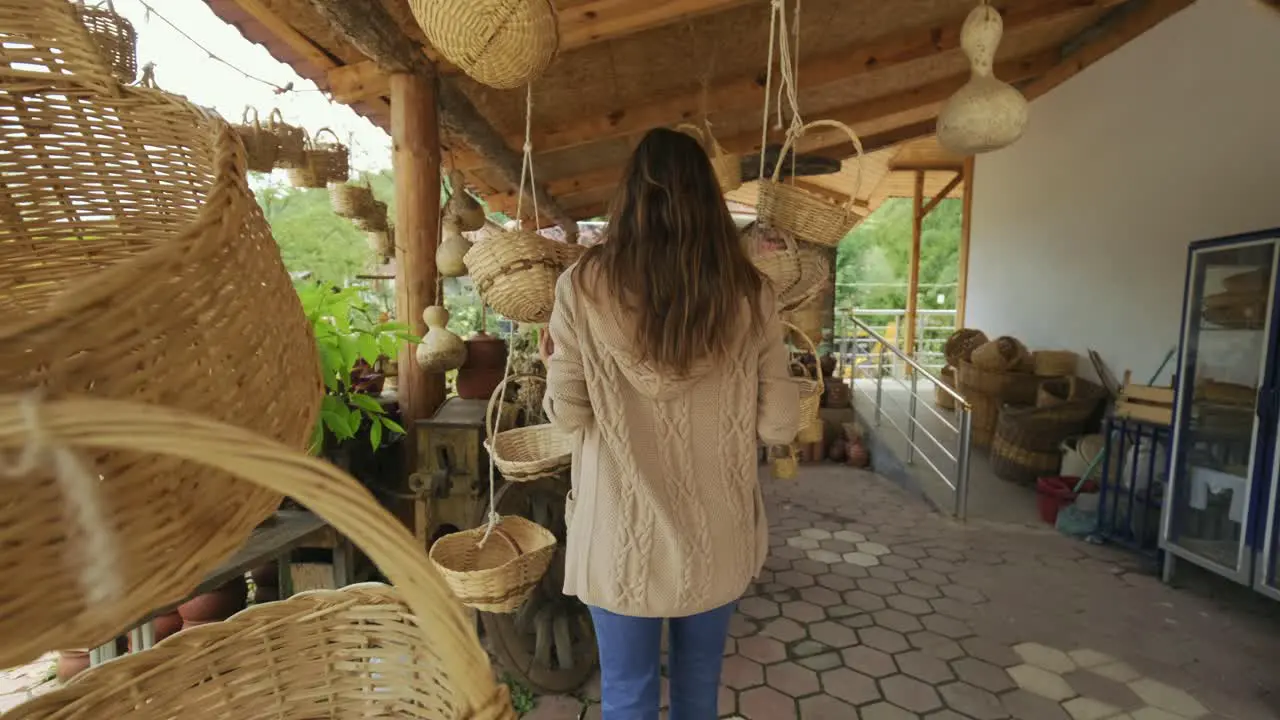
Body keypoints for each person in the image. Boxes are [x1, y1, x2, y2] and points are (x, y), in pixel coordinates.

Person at [539, 127, 801, 720]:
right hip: (719, 534)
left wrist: (552, 363)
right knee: (697, 692)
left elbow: (570, 416)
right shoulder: (752, 294)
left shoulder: (580, 288)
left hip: (617, 538)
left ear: (628, 199)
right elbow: (780, 426)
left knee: (627, 697)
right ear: (708, 202)